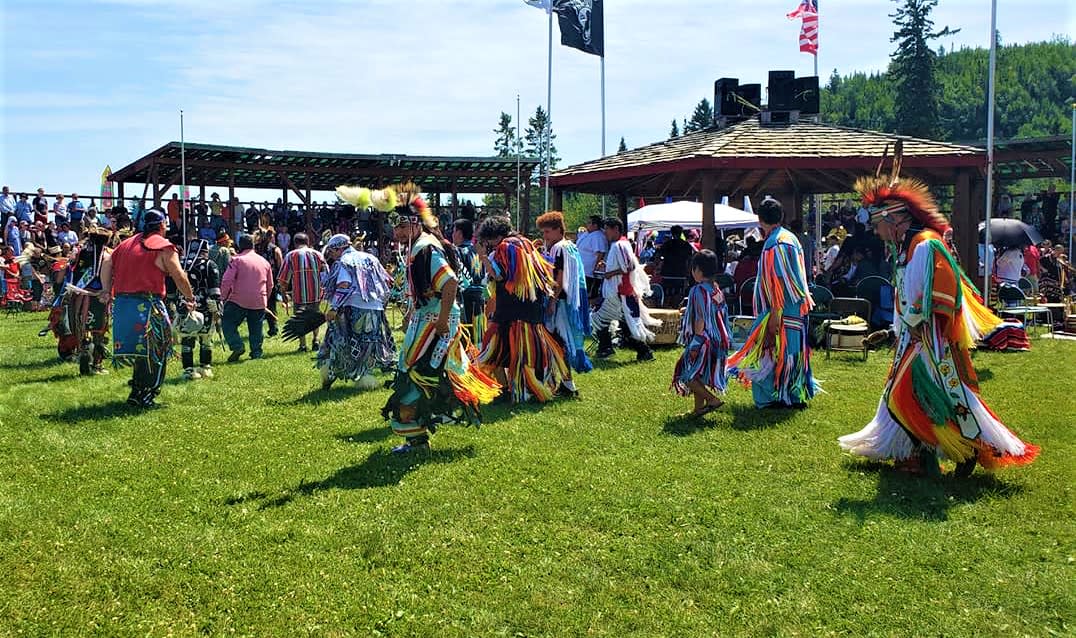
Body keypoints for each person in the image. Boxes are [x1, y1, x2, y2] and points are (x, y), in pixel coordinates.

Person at [839, 169, 1040, 477]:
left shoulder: (926, 244)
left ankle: (964, 447)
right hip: (914, 340)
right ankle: (917, 455)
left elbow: (943, 292)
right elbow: (906, 296)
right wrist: (894, 330)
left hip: (931, 342)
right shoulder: (908, 250)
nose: (878, 233)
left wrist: (918, 324)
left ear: (895, 220)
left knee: (915, 395)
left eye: (879, 225)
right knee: (917, 397)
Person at [336, 183, 499, 454]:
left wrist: (443, 320)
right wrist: (415, 311)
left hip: (435, 322)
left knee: (415, 375)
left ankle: (418, 436)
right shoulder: (420, 246)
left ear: (414, 223)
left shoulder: (425, 248)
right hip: (428, 318)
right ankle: (420, 434)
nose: (397, 233)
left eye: (401, 227)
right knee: (420, 374)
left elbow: (450, 283)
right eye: (394, 227)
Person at [727, 198, 818, 409]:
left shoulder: (774, 244)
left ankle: (772, 398)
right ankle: (793, 395)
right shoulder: (790, 238)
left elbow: (778, 283)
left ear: (760, 220)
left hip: (778, 311)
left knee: (768, 351)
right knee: (791, 353)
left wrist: (775, 316)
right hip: (794, 310)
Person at [99, 209, 195, 408]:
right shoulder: (163, 246)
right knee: (157, 353)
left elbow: (106, 261)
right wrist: (189, 297)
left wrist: (106, 289)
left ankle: (136, 392)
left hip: (123, 307)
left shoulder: (125, 244)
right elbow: (178, 274)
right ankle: (146, 395)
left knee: (141, 353)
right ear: (162, 226)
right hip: (148, 307)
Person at [476, 215, 569, 403]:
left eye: (489, 240)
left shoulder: (505, 246)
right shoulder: (526, 243)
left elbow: (499, 275)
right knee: (527, 355)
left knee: (490, 350)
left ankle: (508, 391)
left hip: (511, 312)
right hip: (531, 311)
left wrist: (483, 256)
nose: (490, 244)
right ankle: (528, 389)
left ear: (495, 235)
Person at [315, 233, 396, 390]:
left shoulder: (343, 262)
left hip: (352, 309)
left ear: (339, 249)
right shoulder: (371, 258)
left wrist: (334, 308)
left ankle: (330, 373)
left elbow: (344, 285)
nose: (332, 256)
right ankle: (365, 377)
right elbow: (386, 283)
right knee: (369, 344)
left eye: (332, 252)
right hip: (375, 308)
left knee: (340, 341)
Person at [537, 211, 592, 394]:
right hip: (571, 301)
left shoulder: (559, 248)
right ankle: (567, 384)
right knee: (561, 342)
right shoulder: (570, 246)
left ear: (558, 230)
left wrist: (552, 300)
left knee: (558, 342)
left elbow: (559, 279)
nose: (544, 236)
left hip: (562, 302)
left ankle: (566, 383)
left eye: (547, 232)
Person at [673, 249, 732, 417]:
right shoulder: (716, 289)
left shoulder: (698, 290)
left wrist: (696, 342)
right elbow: (714, 311)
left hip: (703, 339)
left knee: (687, 374)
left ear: (698, 270)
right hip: (718, 339)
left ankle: (712, 400)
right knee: (697, 374)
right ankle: (698, 409)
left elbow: (700, 319)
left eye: (693, 269)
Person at [591, 217, 659, 362]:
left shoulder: (619, 245)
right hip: (619, 292)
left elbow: (630, 267)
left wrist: (610, 273)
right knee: (623, 323)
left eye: (607, 230)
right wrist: (607, 267)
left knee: (599, 317)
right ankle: (611, 348)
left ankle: (608, 348)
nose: (605, 233)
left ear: (615, 228)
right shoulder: (621, 243)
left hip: (619, 292)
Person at [220, 233, 273, 362]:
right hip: (259, 300)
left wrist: (221, 298)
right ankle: (256, 353)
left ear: (240, 246)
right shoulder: (264, 262)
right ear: (253, 245)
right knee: (256, 328)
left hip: (238, 299)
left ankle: (237, 345)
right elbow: (270, 284)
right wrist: (265, 299)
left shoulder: (236, 260)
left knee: (227, 322)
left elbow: (227, 280)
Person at [277, 232, 328, 352]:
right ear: (308, 242)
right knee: (314, 317)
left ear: (295, 243)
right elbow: (326, 275)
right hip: (315, 293)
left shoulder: (291, 255)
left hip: (299, 294)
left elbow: (283, 278)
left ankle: (303, 345)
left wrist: (284, 295)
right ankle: (315, 340)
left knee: (300, 319)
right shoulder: (318, 255)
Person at [179, 241, 221, 380]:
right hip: (206, 307)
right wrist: (217, 308)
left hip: (185, 306)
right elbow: (214, 290)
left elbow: (172, 285)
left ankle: (188, 369)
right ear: (205, 250)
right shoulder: (209, 264)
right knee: (206, 338)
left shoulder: (180, 263)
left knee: (187, 338)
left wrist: (173, 302)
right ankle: (205, 367)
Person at [451, 218, 487, 346]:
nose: (452, 234)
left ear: (459, 233)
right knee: (479, 332)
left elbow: (456, 277)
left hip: (465, 296)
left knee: (466, 332)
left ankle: (469, 359)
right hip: (481, 296)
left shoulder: (457, 251)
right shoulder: (478, 250)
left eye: (453, 231)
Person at [655, 225, 695, 305]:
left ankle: (667, 311)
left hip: (667, 273)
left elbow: (658, 256)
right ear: (681, 233)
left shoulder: (666, 244)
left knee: (666, 295)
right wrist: (688, 272)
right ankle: (676, 311)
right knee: (679, 295)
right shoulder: (686, 245)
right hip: (681, 273)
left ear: (672, 233)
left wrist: (658, 267)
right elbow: (690, 260)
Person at [254, 228, 283, 337]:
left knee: (257, 305)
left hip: (256, 280)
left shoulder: (254, 249)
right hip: (271, 280)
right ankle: (273, 328)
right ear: (271, 237)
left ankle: (257, 329)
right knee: (271, 304)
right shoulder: (275, 250)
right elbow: (281, 266)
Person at [576, 215, 609, 300]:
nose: (587, 224)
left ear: (595, 225)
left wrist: (595, 268)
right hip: (582, 270)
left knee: (588, 295)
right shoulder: (587, 234)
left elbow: (600, 253)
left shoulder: (598, 236)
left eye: (589, 223)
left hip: (590, 272)